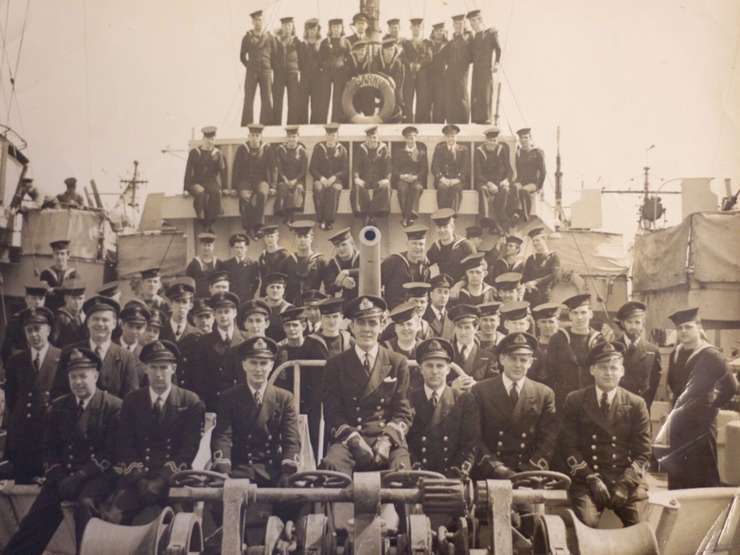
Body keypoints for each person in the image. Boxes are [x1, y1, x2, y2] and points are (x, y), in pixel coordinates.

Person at [3, 348, 121, 554]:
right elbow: (49, 448)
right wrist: (58, 476)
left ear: (95, 375)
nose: (78, 382)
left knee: (85, 506)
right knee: (37, 516)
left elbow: (111, 453)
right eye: (73, 377)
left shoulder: (113, 406)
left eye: (83, 376)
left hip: (97, 477)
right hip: (64, 476)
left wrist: (81, 476)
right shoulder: (59, 406)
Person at [108, 340, 204, 524]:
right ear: (145, 369)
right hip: (139, 478)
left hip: (173, 478)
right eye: (153, 368)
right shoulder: (132, 400)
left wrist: (161, 481)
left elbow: (188, 449)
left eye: (164, 367)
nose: (159, 374)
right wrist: (140, 481)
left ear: (173, 368)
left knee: (183, 526)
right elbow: (124, 443)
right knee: (113, 519)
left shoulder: (190, 401)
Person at [562, 341, 651, 528]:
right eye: (602, 367)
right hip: (587, 480)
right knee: (586, 524)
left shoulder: (636, 404)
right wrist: (590, 478)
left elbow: (643, 452)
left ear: (622, 371)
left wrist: (625, 484)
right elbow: (568, 446)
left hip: (625, 479)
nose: (608, 373)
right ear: (592, 370)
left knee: (640, 527)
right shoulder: (575, 400)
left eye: (613, 367)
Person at [321, 296, 413, 474]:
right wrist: (354, 440)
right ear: (352, 326)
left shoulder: (397, 362)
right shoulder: (335, 365)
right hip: (349, 439)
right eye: (361, 323)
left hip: (388, 438)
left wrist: (386, 440)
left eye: (372, 323)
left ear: (382, 325)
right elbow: (332, 413)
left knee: (402, 473)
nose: (366, 329)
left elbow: (403, 412)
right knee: (332, 468)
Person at [662, 307, 738, 489]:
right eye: (680, 328)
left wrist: (712, 407)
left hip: (701, 426)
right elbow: (673, 384)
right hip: (679, 424)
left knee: (703, 474)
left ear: (698, 327)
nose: (684, 332)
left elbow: (731, 387)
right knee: (678, 475)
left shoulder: (711, 355)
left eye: (688, 327)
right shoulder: (675, 354)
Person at [212, 336, 300, 485]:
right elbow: (222, 436)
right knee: (221, 499)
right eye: (253, 363)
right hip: (239, 468)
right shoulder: (229, 397)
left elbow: (291, 439)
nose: (258, 369)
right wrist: (223, 469)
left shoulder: (285, 398)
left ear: (271, 365)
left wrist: (288, 470)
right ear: (244, 365)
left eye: (263, 363)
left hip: (273, 469)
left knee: (296, 499)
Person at [472, 332, 558, 480]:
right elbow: (474, 436)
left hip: (529, 473)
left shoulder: (544, 394)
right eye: (513, 358)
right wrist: (496, 467)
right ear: (502, 359)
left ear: (531, 362)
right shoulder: (481, 391)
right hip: (490, 473)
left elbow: (549, 439)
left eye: (523, 360)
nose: (518, 365)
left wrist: (531, 468)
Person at [3, 307, 62, 483]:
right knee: (22, 487)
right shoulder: (15, 361)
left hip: (50, 434)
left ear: (49, 330)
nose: (34, 334)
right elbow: (12, 399)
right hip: (23, 436)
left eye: (38, 329)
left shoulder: (61, 357)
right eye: (29, 330)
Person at [407, 338, 477, 477]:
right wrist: (414, 468)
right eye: (429, 365)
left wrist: (457, 472)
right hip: (418, 474)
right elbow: (405, 443)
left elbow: (470, 444)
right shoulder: (409, 399)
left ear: (448, 370)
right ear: (420, 369)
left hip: (452, 475)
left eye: (440, 366)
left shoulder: (463, 400)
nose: (434, 371)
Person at [53, 296, 140, 400]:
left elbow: (131, 398)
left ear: (114, 324)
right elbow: (59, 393)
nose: (100, 324)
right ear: (88, 323)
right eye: (95, 319)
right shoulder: (70, 351)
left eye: (105, 320)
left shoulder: (126, 357)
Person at [274, 307, 328, 455]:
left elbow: (323, 378)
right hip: (289, 404)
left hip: (314, 404)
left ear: (303, 326)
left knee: (316, 439)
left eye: (295, 325)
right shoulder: (280, 352)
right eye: (288, 325)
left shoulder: (316, 346)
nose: (292, 329)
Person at [188, 292, 246, 412]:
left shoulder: (245, 340)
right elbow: (199, 377)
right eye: (219, 312)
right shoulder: (204, 342)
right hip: (214, 402)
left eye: (226, 311)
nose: (223, 316)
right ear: (214, 314)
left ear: (234, 313)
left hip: (239, 403)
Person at [547, 293, 603, 411]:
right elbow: (550, 372)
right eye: (575, 313)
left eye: (583, 313)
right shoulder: (558, 339)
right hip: (563, 400)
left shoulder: (600, 340)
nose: (579, 317)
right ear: (570, 315)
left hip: (591, 401)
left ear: (591, 314)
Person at [614, 301, 661, 410]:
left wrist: (644, 406)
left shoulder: (653, 351)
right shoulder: (613, 347)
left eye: (637, 322)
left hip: (641, 407)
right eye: (629, 322)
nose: (633, 326)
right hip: (617, 407)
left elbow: (654, 383)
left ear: (643, 324)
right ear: (622, 323)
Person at [232, 124, 273, 239]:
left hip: (261, 180)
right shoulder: (242, 149)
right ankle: (248, 227)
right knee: (245, 196)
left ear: (260, 137)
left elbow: (272, 168)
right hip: (245, 180)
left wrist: (273, 185)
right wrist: (234, 187)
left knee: (262, 194)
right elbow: (236, 168)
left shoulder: (267, 148)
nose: (255, 138)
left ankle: (258, 226)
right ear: (248, 136)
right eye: (252, 135)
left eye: (257, 135)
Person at [183, 126, 227, 232]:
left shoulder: (218, 153)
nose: (210, 142)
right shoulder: (194, 152)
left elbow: (223, 172)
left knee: (216, 193)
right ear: (203, 139)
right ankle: (202, 221)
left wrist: (225, 187)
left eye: (212, 139)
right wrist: (185, 188)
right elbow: (188, 171)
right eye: (208, 139)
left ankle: (210, 223)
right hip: (196, 182)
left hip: (211, 181)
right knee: (200, 193)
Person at [475, 128, 517, 234]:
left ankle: (502, 221)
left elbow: (509, 170)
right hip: (484, 181)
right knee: (483, 191)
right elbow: (477, 173)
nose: (492, 143)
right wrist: (489, 184)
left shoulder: (501, 150)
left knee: (506, 191)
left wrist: (506, 180)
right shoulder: (479, 151)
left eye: (494, 140)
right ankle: (487, 221)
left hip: (499, 181)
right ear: (486, 140)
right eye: (490, 140)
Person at [381, 224, 431, 309]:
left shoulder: (425, 268)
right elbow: (377, 285)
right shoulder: (393, 261)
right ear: (407, 244)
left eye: (421, 244)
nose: (418, 247)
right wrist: (383, 308)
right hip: (393, 311)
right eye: (414, 243)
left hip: (415, 313)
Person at [310, 123, 348, 230]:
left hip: (336, 180)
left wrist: (334, 177)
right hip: (320, 179)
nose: (331, 137)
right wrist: (321, 178)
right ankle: (320, 219)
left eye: (334, 135)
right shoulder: (319, 148)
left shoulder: (342, 150)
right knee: (318, 188)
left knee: (333, 190)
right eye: (329, 135)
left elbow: (345, 170)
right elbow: (312, 168)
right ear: (326, 136)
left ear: (337, 136)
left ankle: (329, 221)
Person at [1, 279, 48, 366]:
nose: (37, 302)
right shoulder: (16, 321)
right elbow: (7, 350)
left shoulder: (49, 321)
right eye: (34, 298)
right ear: (26, 299)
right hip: (23, 365)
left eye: (41, 298)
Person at [240, 9, 275, 126]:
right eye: (255, 20)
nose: (258, 22)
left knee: (266, 99)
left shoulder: (270, 37)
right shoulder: (247, 37)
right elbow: (242, 56)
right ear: (252, 22)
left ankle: (267, 125)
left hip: (266, 71)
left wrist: (270, 67)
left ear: (263, 21)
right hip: (252, 72)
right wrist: (249, 66)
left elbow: (275, 55)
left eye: (260, 20)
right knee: (248, 99)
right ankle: (246, 126)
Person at [467, 10, 501, 124]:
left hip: (486, 70)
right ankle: (477, 119)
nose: (472, 24)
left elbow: (498, 49)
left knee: (485, 94)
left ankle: (486, 119)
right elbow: (469, 56)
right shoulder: (473, 38)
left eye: (474, 20)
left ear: (480, 20)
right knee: (475, 94)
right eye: (470, 21)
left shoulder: (490, 33)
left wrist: (496, 63)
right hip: (476, 70)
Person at [449, 304, 497, 384]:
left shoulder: (489, 358)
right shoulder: (446, 354)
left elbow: (494, 385)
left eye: (467, 327)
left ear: (476, 328)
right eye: (459, 327)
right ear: (454, 328)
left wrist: (476, 386)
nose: (463, 332)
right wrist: (452, 385)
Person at [353, 126, 392, 226]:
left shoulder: (383, 149)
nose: (372, 140)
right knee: (358, 188)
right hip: (365, 180)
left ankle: (373, 216)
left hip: (378, 180)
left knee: (385, 187)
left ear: (378, 138)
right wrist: (357, 178)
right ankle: (365, 215)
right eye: (370, 137)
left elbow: (388, 166)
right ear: (366, 139)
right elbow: (356, 166)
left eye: (374, 137)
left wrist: (387, 179)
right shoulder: (361, 149)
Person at [392, 126, 428, 227]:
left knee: (416, 188)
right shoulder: (399, 152)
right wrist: (401, 176)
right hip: (403, 178)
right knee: (402, 189)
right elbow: (394, 168)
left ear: (416, 137)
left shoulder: (421, 152)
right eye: (408, 138)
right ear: (405, 139)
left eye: (413, 137)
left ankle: (409, 216)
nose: (411, 140)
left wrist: (416, 177)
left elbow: (424, 169)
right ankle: (408, 217)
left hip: (416, 179)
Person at [426, 208, 475, 283]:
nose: (442, 230)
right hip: (445, 288)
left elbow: (476, 269)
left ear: (452, 227)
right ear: (436, 229)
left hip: (464, 287)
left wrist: (461, 284)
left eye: (445, 227)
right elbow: (425, 264)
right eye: (439, 227)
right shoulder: (436, 247)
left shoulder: (465, 245)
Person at [284, 220, 326, 305]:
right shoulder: (288, 261)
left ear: (311, 238)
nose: (302, 240)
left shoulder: (320, 261)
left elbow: (329, 287)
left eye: (306, 237)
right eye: (299, 237)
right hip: (291, 306)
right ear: (295, 239)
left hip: (312, 305)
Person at [319, 19, 352, 123]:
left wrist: (346, 70)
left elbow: (349, 58)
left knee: (337, 98)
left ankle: (335, 122)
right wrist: (324, 67)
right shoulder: (325, 42)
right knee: (324, 97)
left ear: (342, 28)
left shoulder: (346, 42)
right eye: (334, 27)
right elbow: (321, 57)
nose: (336, 29)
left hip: (340, 73)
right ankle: (322, 121)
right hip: (327, 72)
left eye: (338, 27)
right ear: (330, 29)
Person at [401, 18, 433, 123]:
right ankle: (407, 120)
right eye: (414, 27)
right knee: (408, 97)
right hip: (409, 74)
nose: (416, 30)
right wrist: (409, 64)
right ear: (411, 28)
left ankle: (421, 121)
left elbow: (429, 57)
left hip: (422, 74)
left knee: (422, 98)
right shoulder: (405, 43)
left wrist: (420, 64)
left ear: (421, 28)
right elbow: (402, 56)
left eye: (418, 27)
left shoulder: (426, 42)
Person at [274, 125, 307, 223]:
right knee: (283, 187)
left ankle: (290, 216)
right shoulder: (280, 150)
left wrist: (295, 180)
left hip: (298, 179)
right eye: (289, 137)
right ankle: (287, 215)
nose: (291, 139)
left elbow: (303, 170)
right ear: (286, 138)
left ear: (298, 137)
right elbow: (279, 168)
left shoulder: (302, 151)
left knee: (298, 189)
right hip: (284, 179)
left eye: (294, 137)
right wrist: (285, 179)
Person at [432, 124, 469, 212]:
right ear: (445, 138)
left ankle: (452, 216)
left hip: (457, 179)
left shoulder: (463, 149)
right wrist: (442, 178)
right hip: (443, 179)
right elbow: (434, 167)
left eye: (453, 136)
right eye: (448, 136)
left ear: (456, 137)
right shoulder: (439, 149)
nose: (451, 139)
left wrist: (458, 179)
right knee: (442, 188)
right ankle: (442, 215)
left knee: (456, 188)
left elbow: (465, 167)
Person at [522, 227, 561, 307]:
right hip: (529, 295)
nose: (535, 243)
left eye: (537, 240)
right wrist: (527, 283)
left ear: (544, 240)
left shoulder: (553, 257)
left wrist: (536, 282)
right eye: (533, 241)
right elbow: (525, 275)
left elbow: (554, 275)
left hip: (544, 296)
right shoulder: (531, 258)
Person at [273, 17, 301, 125]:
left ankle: (291, 127)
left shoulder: (297, 41)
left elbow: (302, 57)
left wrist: (298, 69)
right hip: (279, 74)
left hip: (292, 74)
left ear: (293, 27)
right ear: (282, 27)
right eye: (285, 26)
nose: (287, 28)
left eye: (289, 25)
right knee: (277, 102)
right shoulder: (276, 40)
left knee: (293, 102)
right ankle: (275, 127)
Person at [444, 14, 472, 123]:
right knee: (451, 98)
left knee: (462, 98)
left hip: (462, 72)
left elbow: (470, 54)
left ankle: (464, 123)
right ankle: (451, 123)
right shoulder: (451, 41)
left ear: (464, 24)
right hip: (451, 73)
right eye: (456, 24)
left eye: (460, 23)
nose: (458, 26)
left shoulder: (468, 37)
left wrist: (460, 35)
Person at [299, 19, 327, 124]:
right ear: (307, 30)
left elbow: (324, 61)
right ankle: (303, 127)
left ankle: (315, 127)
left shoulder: (322, 44)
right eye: (310, 29)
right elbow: (299, 61)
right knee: (303, 103)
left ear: (317, 30)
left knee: (316, 104)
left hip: (317, 78)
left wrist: (317, 48)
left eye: (314, 29)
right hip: (304, 77)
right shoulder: (302, 44)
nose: (312, 32)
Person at [514, 128, 546, 221]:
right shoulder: (518, 153)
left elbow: (543, 172)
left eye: (526, 138)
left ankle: (525, 214)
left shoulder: (537, 152)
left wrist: (539, 187)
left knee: (523, 191)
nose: (523, 140)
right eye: (521, 138)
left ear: (530, 138)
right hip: (521, 180)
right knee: (514, 188)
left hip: (533, 183)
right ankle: (515, 212)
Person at [40, 239, 79, 312]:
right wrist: (63, 289)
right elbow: (45, 291)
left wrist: (54, 289)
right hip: (50, 310)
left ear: (68, 256)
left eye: (62, 254)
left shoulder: (74, 274)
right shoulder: (46, 273)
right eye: (57, 253)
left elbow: (72, 292)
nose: (59, 257)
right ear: (53, 255)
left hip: (67, 312)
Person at [223, 233, 260, 305]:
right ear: (233, 248)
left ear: (246, 248)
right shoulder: (226, 264)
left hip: (247, 299)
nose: (239, 250)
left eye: (241, 247)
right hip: (231, 299)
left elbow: (256, 282)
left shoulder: (253, 264)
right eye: (237, 247)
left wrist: (250, 294)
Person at [323, 227, 359, 300]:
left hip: (362, 302)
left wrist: (347, 272)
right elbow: (328, 288)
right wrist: (340, 284)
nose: (341, 249)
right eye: (337, 246)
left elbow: (367, 271)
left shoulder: (362, 258)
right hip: (342, 305)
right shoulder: (332, 264)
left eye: (344, 244)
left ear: (352, 243)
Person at [383, 301, 423, 366]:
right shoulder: (386, 348)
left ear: (417, 326)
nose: (406, 328)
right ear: (395, 328)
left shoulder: (424, 348)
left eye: (409, 324)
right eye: (401, 324)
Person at [159, 278, 197, 346]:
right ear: (170, 304)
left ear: (191, 306)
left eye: (184, 302)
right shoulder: (160, 331)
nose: (181, 306)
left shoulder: (197, 334)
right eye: (177, 301)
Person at [185, 232, 224, 298]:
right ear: (200, 246)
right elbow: (188, 282)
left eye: (209, 245)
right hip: (198, 298)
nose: (206, 248)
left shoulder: (219, 263)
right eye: (204, 245)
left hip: (215, 297)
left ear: (213, 247)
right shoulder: (194, 264)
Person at [51, 278, 87, 348]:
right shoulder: (60, 317)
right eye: (73, 298)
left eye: (80, 298)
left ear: (84, 299)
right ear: (66, 298)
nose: (77, 302)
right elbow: (53, 342)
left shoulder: (84, 316)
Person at [257, 225, 290, 296]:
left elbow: (288, 277)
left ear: (277, 237)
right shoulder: (263, 256)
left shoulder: (284, 254)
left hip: (279, 291)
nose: (269, 239)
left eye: (272, 236)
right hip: (266, 292)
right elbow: (263, 278)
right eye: (267, 237)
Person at [379, 36, 405, 121]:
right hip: (379, 88)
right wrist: (387, 77)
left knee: (398, 97)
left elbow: (399, 82)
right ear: (383, 51)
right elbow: (374, 72)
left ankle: (397, 115)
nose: (389, 52)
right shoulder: (377, 59)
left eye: (391, 50)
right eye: (387, 50)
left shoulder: (398, 63)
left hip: (394, 89)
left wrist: (391, 88)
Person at [262, 273, 294, 342]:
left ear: (283, 290)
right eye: (272, 287)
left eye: (278, 287)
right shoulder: (260, 306)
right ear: (266, 289)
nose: (275, 290)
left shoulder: (290, 309)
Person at [423, 274, 455, 341]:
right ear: (431, 295)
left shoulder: (452, 316)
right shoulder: (424, 315)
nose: (443, 296)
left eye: (446, 292)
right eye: (439, 291)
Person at [428, 22, 448, 123]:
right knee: (427, 105)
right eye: (437, 31)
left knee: (440, 105)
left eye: (441, 30)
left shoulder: (448, 45)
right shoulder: (428, 44)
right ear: (433, 32)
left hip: (442, 79)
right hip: (429, 79)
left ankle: (438, 125)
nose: (439, 33)